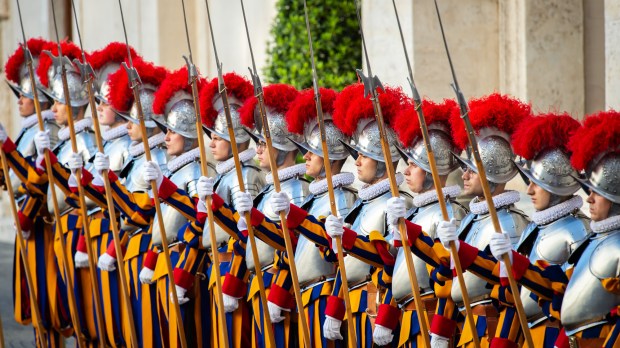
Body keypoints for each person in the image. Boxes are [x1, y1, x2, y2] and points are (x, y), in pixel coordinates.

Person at [268, 83, 412, 347]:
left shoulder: (374, 202)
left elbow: (392, 264)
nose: (356, 160)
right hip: (330, 298)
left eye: (364, 155)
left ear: (381, 161)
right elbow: (337, 257)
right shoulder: (358, 203)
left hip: (369, 305)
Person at [489, 111, 620, 348]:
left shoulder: (578, 231)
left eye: (596, 193)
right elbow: (556, 288)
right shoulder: (542, 229)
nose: (589, 199)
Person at [219, 83, 306, 347]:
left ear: (282, 146)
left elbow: (292, 248)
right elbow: (245, 240)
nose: (257, 148)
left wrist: (279, 292)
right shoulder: (269, 190)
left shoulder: (297, 191)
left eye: (262, 142)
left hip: (280, 289)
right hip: (259, 284)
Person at [377, 99, 467, 347]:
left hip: (430, 318)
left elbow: (447, 276)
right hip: (407, 318)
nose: (406, 171)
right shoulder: (416, 213)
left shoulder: (448, 214)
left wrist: (440, 327)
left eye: (414, 165)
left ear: (431, 170)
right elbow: (396, 267)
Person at [1, 37, 63, 347]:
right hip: (27, 222)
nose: (19, 101)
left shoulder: (45, 130)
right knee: (33, 304)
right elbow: (11, 177)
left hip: (41, 223)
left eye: (24, 95)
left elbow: (35, 180)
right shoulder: (28, 128)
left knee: (46, 305)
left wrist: (7, 149)